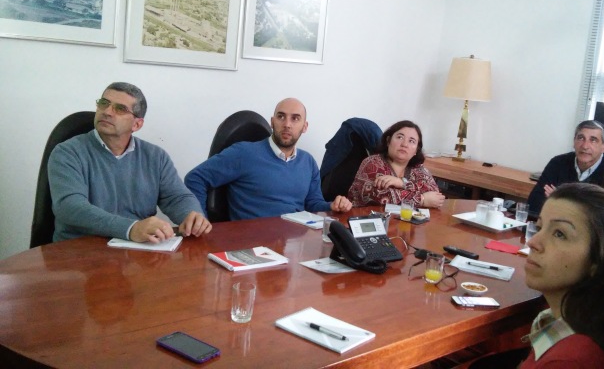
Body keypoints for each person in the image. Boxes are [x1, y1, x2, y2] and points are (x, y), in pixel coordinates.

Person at [48, 82, 211, 243]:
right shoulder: (67, 152)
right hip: (80, 248)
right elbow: (69, 207)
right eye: (104, 103)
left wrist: (192, 216)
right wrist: (130, 228)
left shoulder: (156, 156)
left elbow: (177, 197)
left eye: (120, 109)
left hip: (136, 249)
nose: (107, 112)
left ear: (137, 124)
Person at [520, 182, 604, 368]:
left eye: (559, 234)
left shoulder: (570, 361)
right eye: (540, 227)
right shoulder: (571, 321)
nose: (533, 242)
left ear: (599, 261)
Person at [184, 98, 352, 220]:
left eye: (295, 118)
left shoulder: (308, 162)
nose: (287, 124)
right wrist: (199, 218)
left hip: (294, 243)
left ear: (304, 126)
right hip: (252, 244)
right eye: (281, 117)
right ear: (272, 122)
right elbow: (195, 178)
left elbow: (313, 204)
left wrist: (332, 206)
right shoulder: (243, 153)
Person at [347, 120, 445, 208]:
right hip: (365, 218)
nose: (404, 144)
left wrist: (402, 183)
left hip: (401, 220)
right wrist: (422, 199)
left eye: (411, 141)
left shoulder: (418, 169)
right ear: (388, 141)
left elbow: (435, 196)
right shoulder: (373, 163)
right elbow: (379, 196)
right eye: (400, 137)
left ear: (416, 150)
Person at [527, 120, 604, 216]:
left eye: (593, 140)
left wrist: (560, 204)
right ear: (574, 142)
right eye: (581, 138)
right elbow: (534, 204)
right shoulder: (558, 163)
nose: (585, 146)